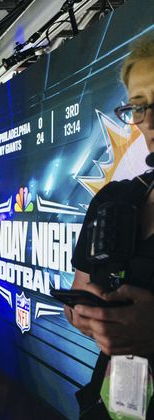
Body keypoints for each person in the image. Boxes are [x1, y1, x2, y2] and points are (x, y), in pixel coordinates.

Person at [66, 35, 154, 418]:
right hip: (112, 400)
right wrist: (86, 316)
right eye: (139, 107)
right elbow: (79, 292)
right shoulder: (115, 198)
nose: (148, 121)